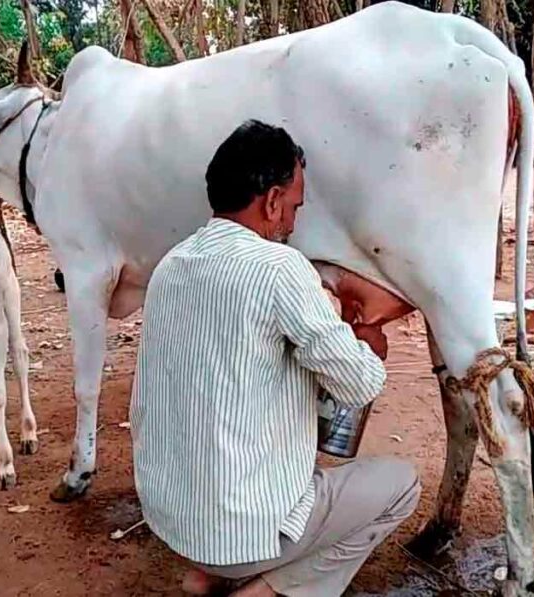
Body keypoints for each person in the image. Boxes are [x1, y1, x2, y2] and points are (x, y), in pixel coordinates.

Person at [129, 119, 421, 597]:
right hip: (241, 529)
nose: (293, 221)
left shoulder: (171, 264)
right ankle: (265, 589)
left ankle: (206, 574)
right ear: (270, 201)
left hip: (171, 519)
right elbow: (361, 384)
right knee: (400, 485)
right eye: (294, 206)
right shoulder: (279, 269)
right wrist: (367, 343)